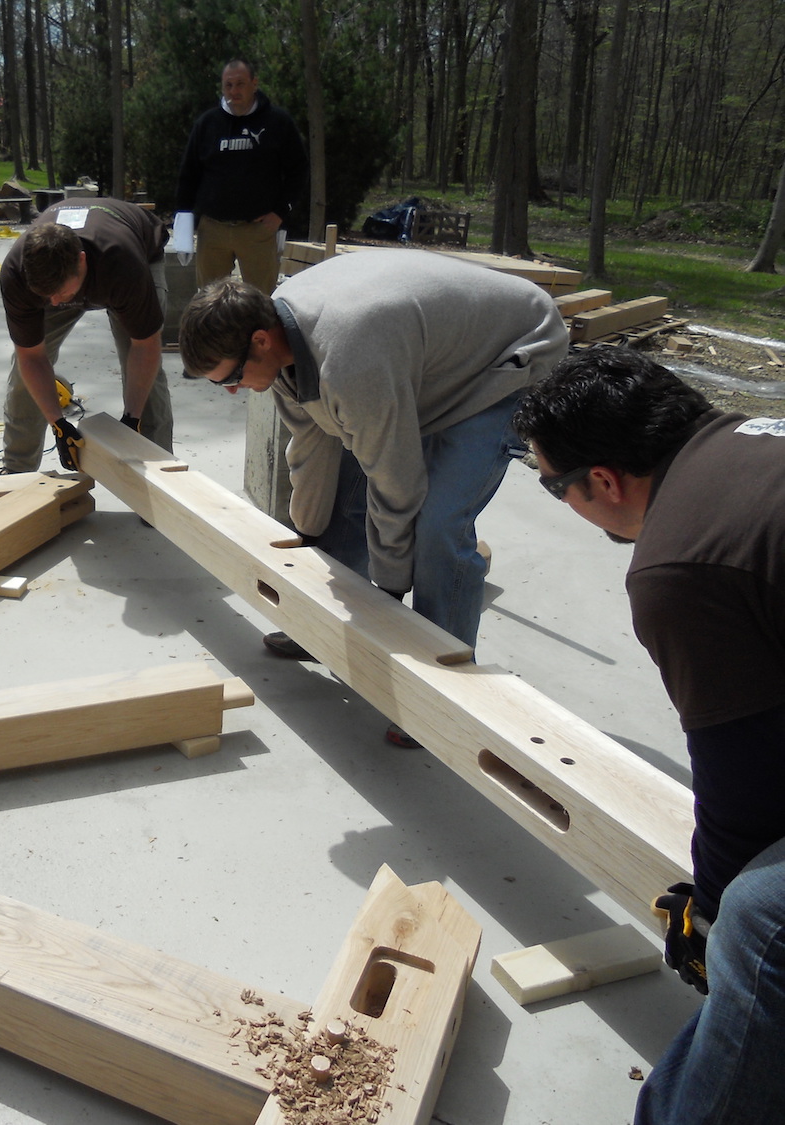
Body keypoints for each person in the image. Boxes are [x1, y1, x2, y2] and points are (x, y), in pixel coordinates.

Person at [513, 347, 785, 1125]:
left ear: (602, 479)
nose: (558, 500)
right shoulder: (754, 443)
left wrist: (709, 913)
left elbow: (742, 778)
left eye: (551, 484)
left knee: (762, 925)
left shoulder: (680, 564)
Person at [178, 252, 568, 745]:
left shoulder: (350, 361)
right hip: (424, 353)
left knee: (437, 524)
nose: (233, 392)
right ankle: (323, 629)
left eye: (231, 378)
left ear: (260, 340)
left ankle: (440, 690)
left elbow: (396, 482)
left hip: (508, 355)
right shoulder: (277, 339)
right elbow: (313, 448)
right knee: (346, 486)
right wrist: (307, 541)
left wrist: (386, 589)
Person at [0, 197, 173, 473]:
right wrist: (57, 422)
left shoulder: (123, 264)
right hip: (80, 272)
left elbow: (145, 346)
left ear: (81, 262)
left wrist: (132, 419)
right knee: (23, 375)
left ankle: (160, 472)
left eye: (61, 293)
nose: (55, 303)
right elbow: (31, 356)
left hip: (135, 254)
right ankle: (17, 469)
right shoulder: (16, 273)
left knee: (145, 376)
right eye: (47, 295)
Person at [175, 58, 307, 293]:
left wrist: (280, 213)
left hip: (257, 231)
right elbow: (188, 176)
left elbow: (298, 171)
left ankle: (258, 333)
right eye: (228, 85)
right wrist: (184, 225)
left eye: (240, 84)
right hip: (212, 230)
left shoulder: (278, 122)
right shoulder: (207, 124)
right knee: (209, 303)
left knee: (261, 302)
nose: (234, 92)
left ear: (254, 84)